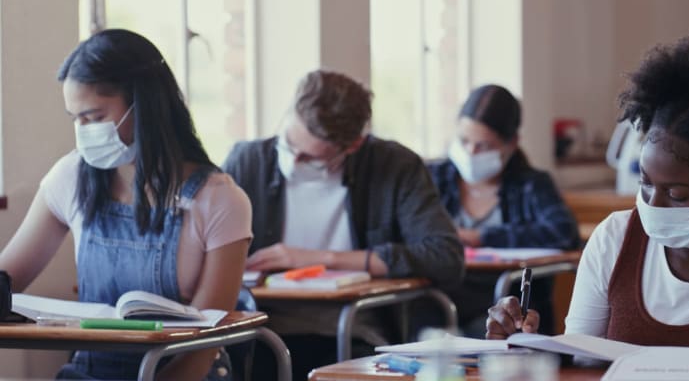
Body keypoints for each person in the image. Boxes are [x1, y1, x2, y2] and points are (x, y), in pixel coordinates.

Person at [486, 37, 689, 358]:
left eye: (677, 194)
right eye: (645, 184)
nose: (653, 204)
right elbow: (582, 364)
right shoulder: (614, 240)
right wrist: (528, 351)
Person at [0, 29, 251, 380]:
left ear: (144, 104)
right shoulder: (71, 177)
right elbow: (7, 279)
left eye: (94, 117)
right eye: (76, 119)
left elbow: (203, 348)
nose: (84, 131)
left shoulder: (220, 199)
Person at [223, 69, 464, 380]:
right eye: (288, 145)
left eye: (309, 158)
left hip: (355, 328)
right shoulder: (248, 161)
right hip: (262, 327)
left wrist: (323, 259)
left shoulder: (394, 166)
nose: (292, 161)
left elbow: (446, 257)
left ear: (352, 147)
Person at [428, 84, 580, 337]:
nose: (470, 153)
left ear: (511, 144)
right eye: (464, 141)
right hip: (441, 298)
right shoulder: (436, 178)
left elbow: (563, 232)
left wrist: (482, 237)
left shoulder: (532, 185)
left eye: (483, 146)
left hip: (507, 302)